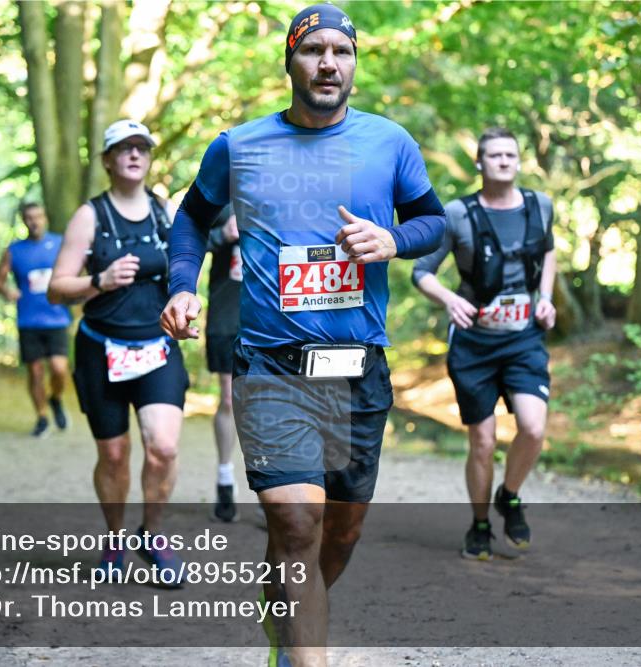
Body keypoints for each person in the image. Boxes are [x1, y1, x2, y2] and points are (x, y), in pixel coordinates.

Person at [161, 5, 446, 664]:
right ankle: (301, 654)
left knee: (336, 537)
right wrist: (181, 284)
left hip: (358, 368)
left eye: (341, 52)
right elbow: (191, 219)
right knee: (296, 523)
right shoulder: (239, 146)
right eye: (313, 50)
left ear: (353, 64)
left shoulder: (389, 142)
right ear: (289, 60)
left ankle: (286, 621)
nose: (328, 63)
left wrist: (393, 238)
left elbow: (434, 220)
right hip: (272, 367)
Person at [48, 119, 187, 586]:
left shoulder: (165, 213)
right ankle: (114, 537)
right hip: (101, 349)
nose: (133, 155)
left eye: (141, 148)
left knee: (163, 448)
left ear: (149, 158)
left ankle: (153, 534)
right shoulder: (91, 216)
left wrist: (185, 309)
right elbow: (56, 289)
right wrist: (98, 281)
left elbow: (183, 278)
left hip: (157, 348)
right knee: (113, 454)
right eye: (123, 148)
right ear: (107, 160)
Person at [412, 127, 556, 561]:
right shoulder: (457, 214)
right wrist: (450, 299)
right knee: (483, 441)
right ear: (480, 163)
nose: (504, 162)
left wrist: (545, 298)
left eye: (510, 155)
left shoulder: (540, 205)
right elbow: (422, 272)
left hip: (523, 337)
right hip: (474, 343)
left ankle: (508, 495)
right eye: (494, 155)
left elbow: (548, 251)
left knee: (533, 427)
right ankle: (479, 526)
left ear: (519, 160)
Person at [0, 202, 72, 437]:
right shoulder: (14, 250)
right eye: (29, 217)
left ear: (45, 217)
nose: (34, 221)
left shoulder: (60, 243)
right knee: (36, 371)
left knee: (59, 369)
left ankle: (56, 398)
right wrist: (8, 291)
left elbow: (77, 271)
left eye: (38, 216)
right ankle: (41, 416)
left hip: (57, 318)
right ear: (23, 220)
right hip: (28, 321)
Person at [205, 205, 243, 522]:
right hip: (227, 315)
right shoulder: (219, 196)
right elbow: (184, 239)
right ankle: (225, 477)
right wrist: (223, 233)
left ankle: (271, 482)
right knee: (230, 399)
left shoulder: (286, 192)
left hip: (273, 317)